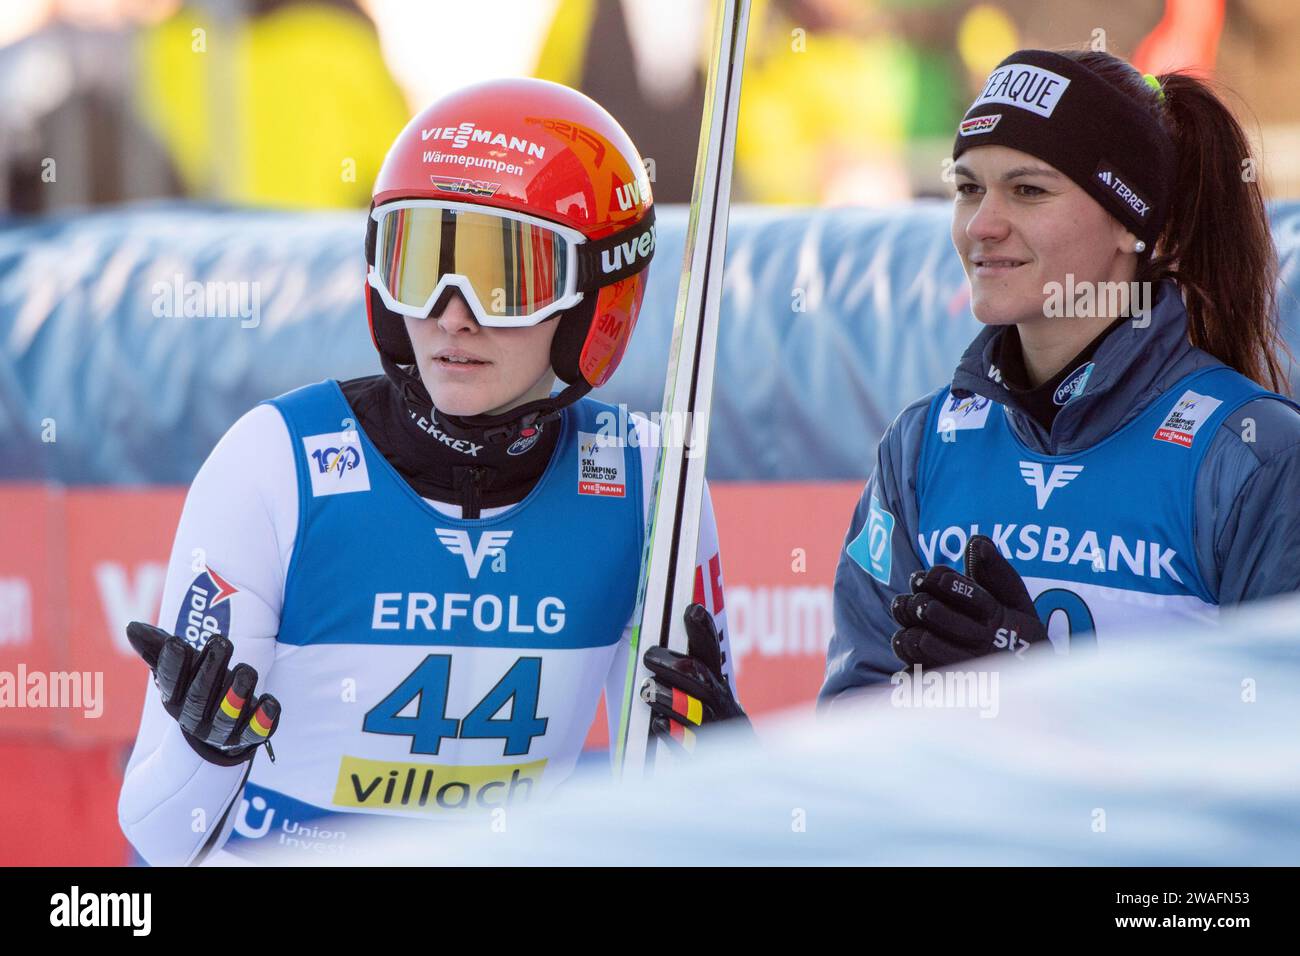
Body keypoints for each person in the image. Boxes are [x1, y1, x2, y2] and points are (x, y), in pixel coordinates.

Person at [118, 78, 746, 866]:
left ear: (595, 296)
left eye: (505, 276)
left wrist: (726, 779)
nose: (453, 313)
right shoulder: (276, 463)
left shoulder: (647, 484)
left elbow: (678, 833)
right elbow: (157, 837)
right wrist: (204, 750)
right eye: (422, 264)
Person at [822, 49, 1300, 701]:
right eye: (968, 189)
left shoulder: (1255, 457)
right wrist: (737, 766)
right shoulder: (923, 446)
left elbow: (1269, 761)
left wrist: (1051, 699)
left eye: (1028, 190)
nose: (982, 226)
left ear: (1133, 227)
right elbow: (860, 723)